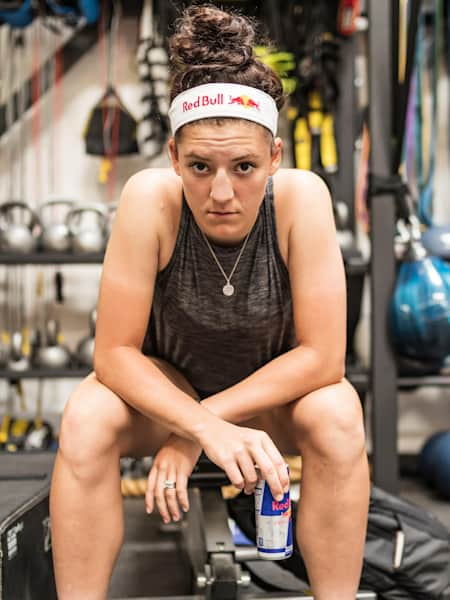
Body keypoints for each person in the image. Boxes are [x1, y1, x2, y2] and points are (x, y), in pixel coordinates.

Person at [50, 4, 370, 600]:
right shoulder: (150, 199)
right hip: (167, 393)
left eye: (244, 167)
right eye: (200, 167)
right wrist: (193, 423)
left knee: (338, 412)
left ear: (275, 158)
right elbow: (114, 355)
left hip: (270, 397)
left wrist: (199, 431)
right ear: (174, 158)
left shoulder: (302, 201)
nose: (221, 192)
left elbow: (323, 358)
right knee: (87, 415)